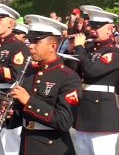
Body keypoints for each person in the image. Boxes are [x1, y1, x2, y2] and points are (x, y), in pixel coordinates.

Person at [6, 14, 81, 155]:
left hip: (52, 148)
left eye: (36, 42)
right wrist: (11, 113)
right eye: (29, 41)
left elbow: (65, 121)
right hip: (27, 144)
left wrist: (28, 101)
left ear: (53, 46)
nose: (31, 46)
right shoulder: (28, 73)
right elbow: (21, 115)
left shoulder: (68, 77)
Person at [65, 8, 119, 155]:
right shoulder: (87, 49)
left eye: (98, 27)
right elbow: (70, 73)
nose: (93, 30)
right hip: (83, 113)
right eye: (92, 26)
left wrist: (79, 48)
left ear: (110, 28)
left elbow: (91, 70)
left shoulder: (113, 52)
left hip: (101, 117)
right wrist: (70, 51)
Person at [0, 4, 29, 155]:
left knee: (10, 146)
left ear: (11, 23)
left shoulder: (17, 46)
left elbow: (15, 74)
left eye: (0, 19)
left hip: (7, 98)